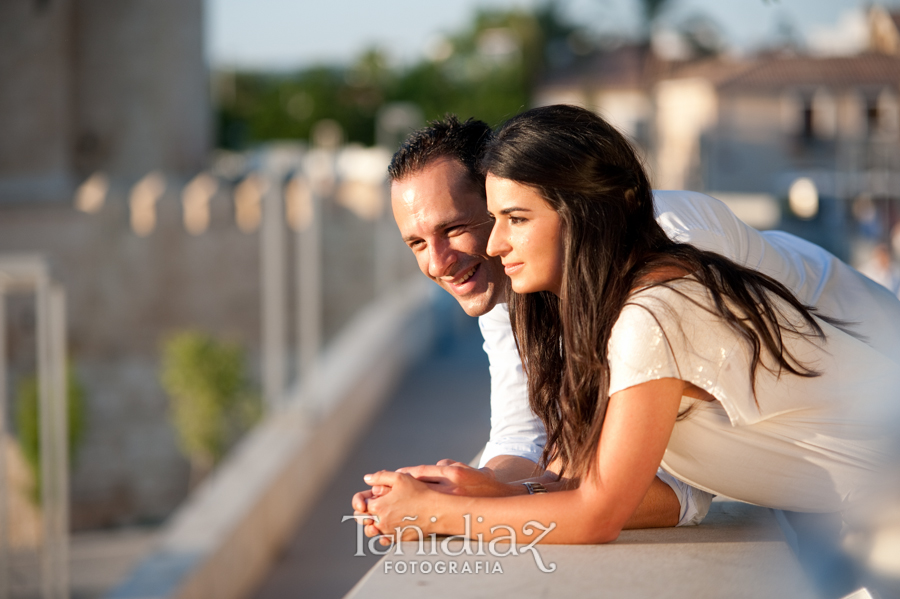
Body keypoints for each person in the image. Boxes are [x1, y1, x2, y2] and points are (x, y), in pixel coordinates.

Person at [355, 105, 898, 547]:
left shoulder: (661, 282)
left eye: (507, 219)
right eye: (417, 243)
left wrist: (443, 514)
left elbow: (628, 497)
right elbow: (547, 437)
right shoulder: (537, 289)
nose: (437, 262)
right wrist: (483, 486)